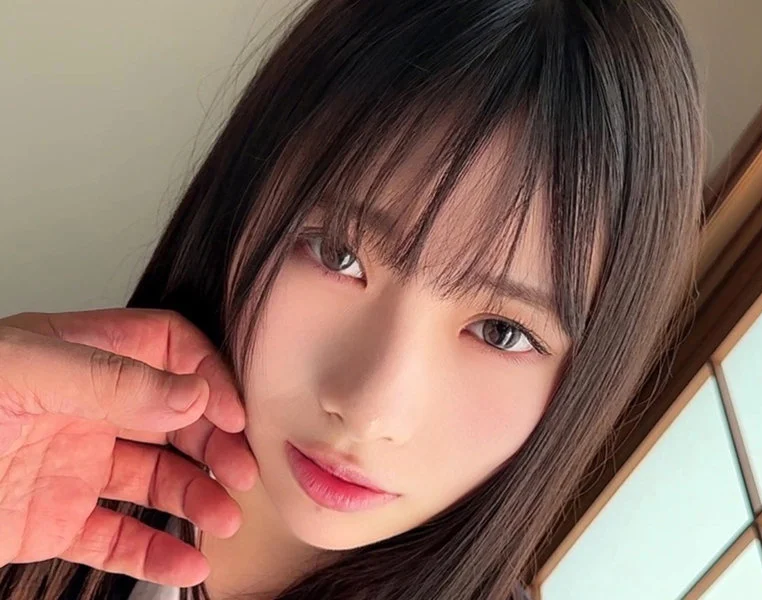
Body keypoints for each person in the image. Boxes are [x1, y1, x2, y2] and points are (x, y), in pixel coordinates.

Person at [0, 0, 705, 598]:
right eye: (339, 255)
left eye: (501, 331)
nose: (370, 409)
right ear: (243, 203)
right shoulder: (38, 470)